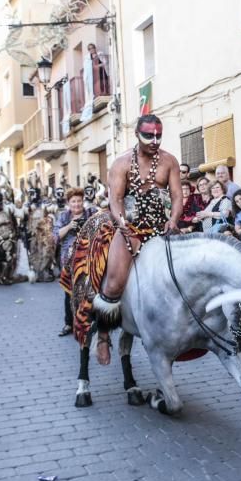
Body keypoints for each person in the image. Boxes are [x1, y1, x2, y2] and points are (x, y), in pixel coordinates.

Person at [93, 114, 182, 364]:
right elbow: (115, 200)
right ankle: (102, 336)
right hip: (129, 228)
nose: (155, 141)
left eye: (158, 135)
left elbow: (177, 196)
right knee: (114, 283)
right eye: (148, 136)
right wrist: (124, 227)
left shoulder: (169, 161)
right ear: (136, 134)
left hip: (162, 227)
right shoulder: (121, 164)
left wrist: (173, 220)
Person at [54, 188, 88, 336]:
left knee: (89, 292)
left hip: (89, 259)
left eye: (79, 201)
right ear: (68, 203)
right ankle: (69, 324)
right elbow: (55, 237)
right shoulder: (63, 216)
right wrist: (69, 226)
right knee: (69, 292)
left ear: (83, 201)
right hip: (69, 260)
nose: (76, 204)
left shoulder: (91, 214)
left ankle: (87, 323)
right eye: (73, 201)